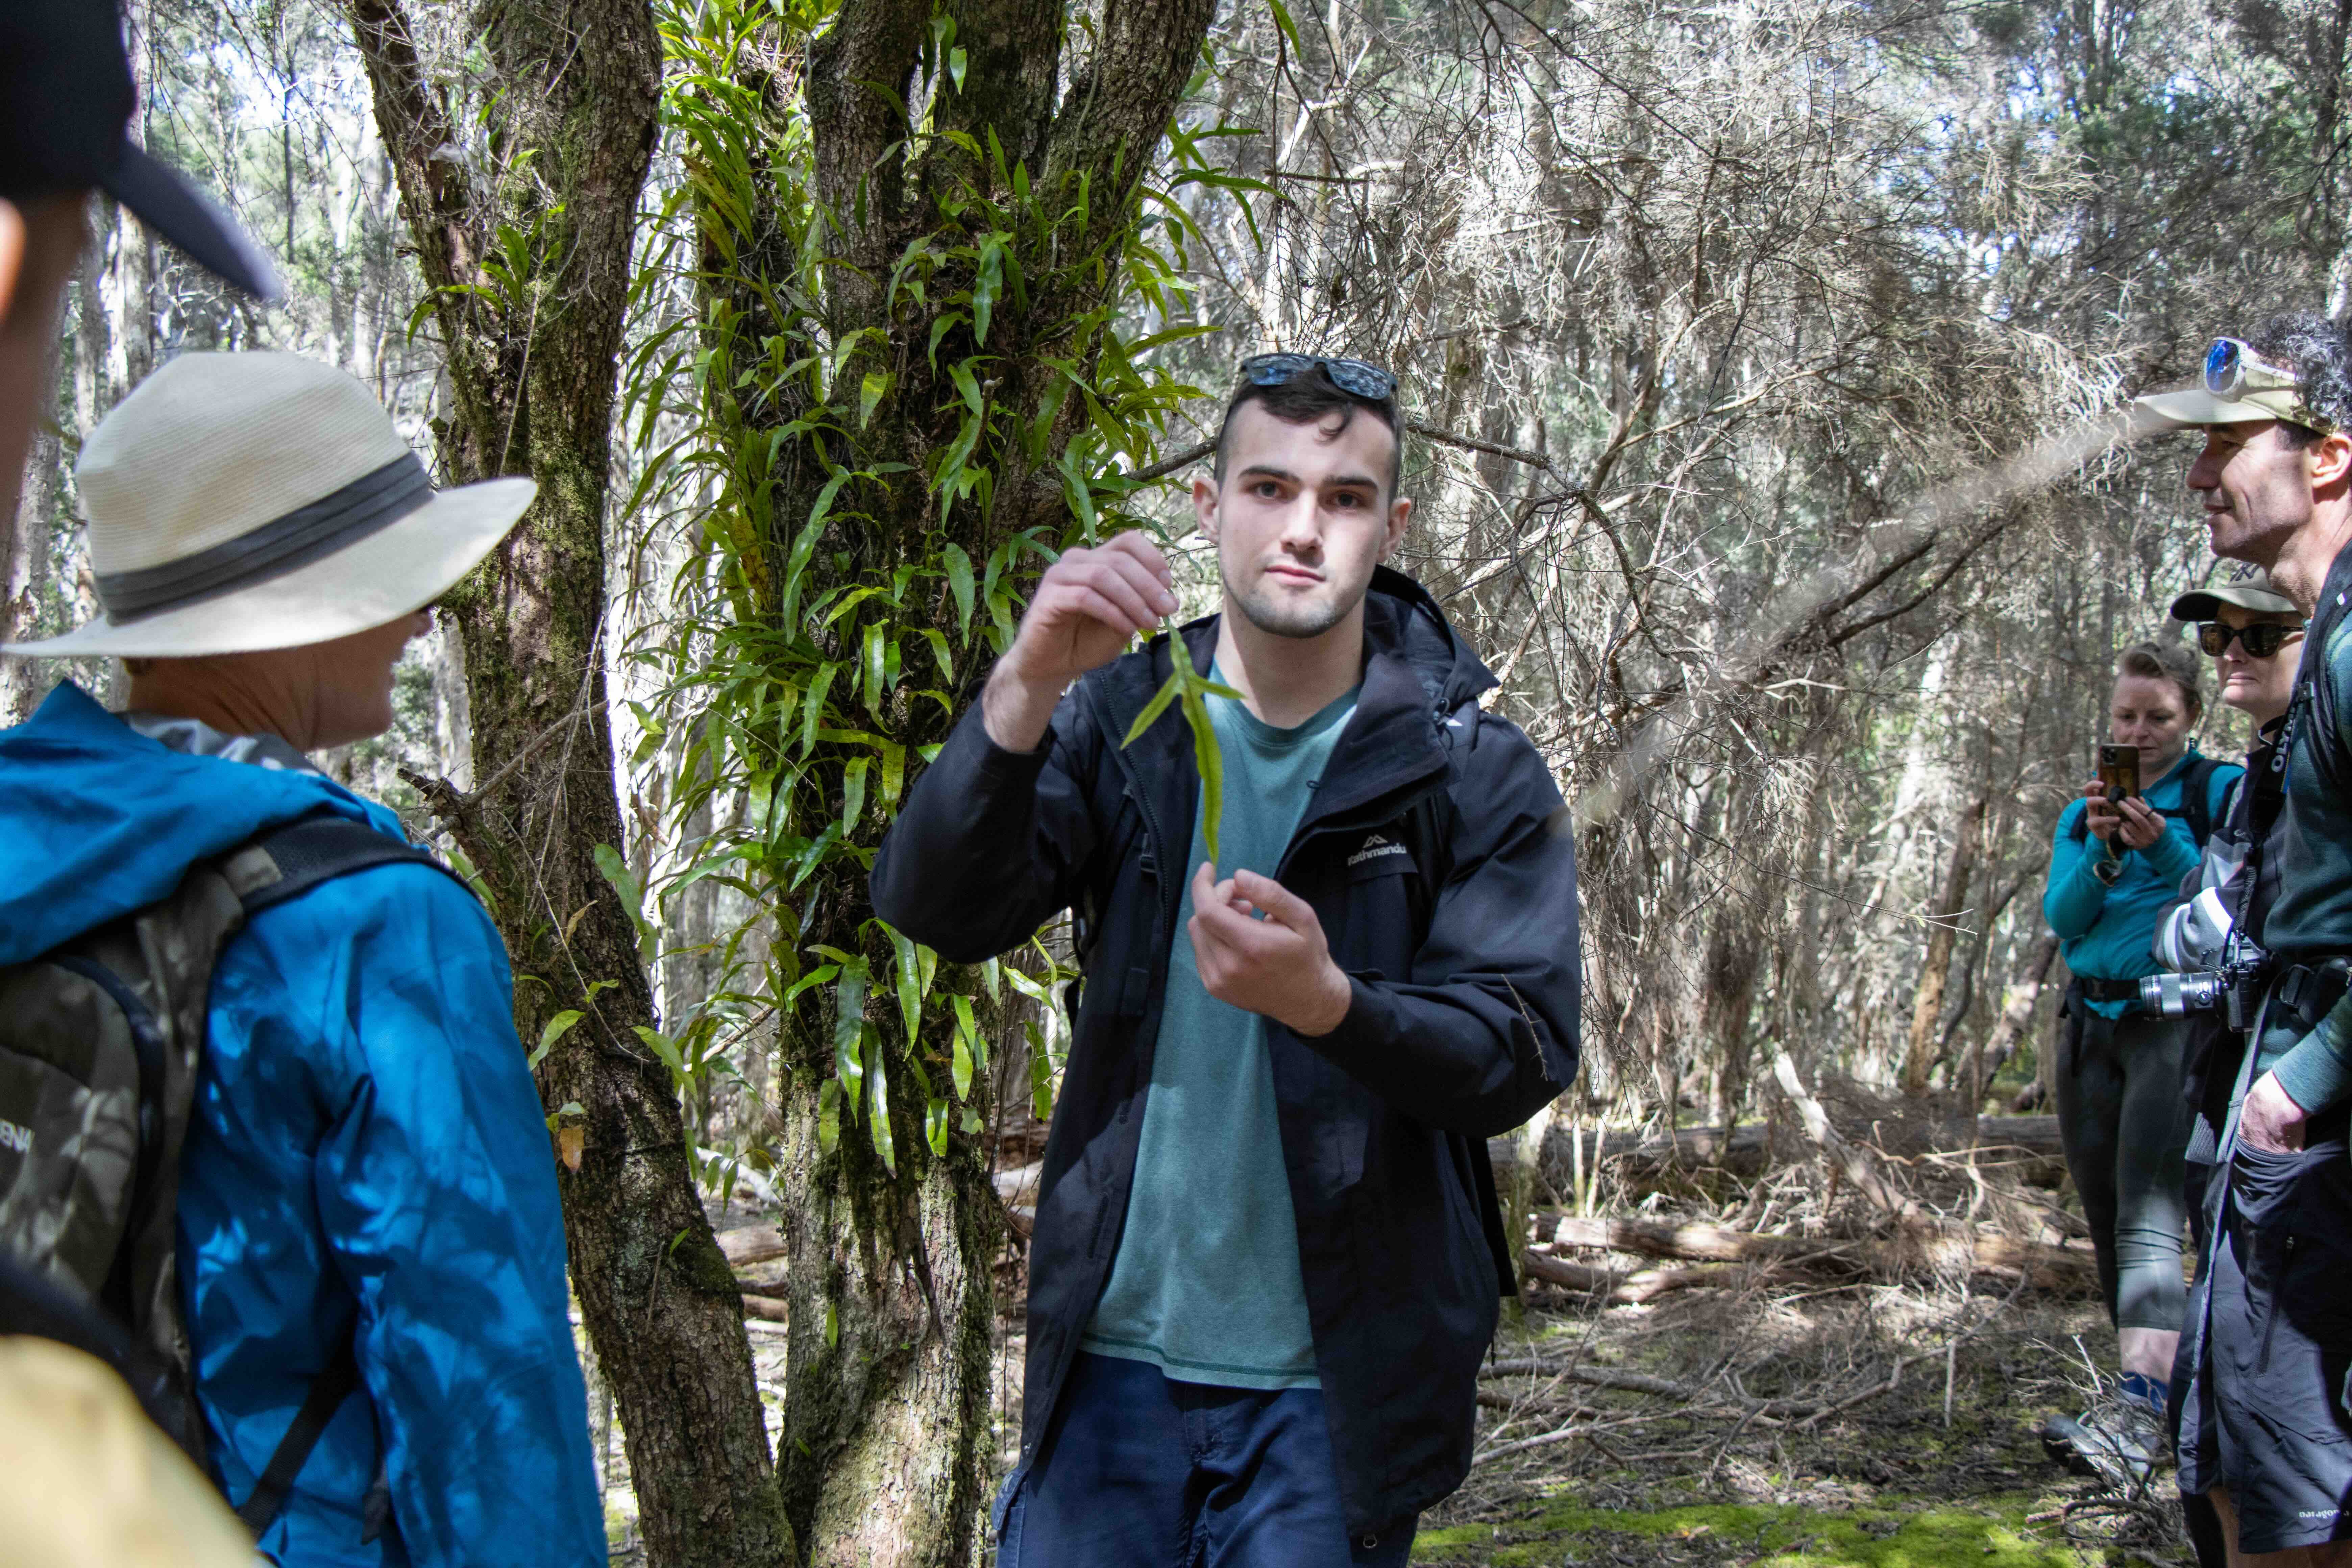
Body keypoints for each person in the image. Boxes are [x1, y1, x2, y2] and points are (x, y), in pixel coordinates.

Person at [869, 354, 1581, 1564]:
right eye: (1269, 488)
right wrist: (1028, 680)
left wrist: (1332, 1006)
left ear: (1392, 526)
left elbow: (1519, 1046)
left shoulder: (1467, 766)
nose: (1304, 529)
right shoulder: (1121, 716)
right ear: (1211, 508)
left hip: (1333, 1398)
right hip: (1108, 1374)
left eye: (1347, 499)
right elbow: (938, 907)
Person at [0, 350, 605, 1565]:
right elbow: (483, 1383)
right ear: (298, 602)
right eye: (396, 581)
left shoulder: (31, 837)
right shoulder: (371, 931)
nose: (425, 617)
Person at [2135, 312, 2352, 1566]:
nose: (2198, 476)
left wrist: (2298, 1087)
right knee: (2238, 1477)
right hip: (2286, 1128)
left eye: (2228, 444)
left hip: (2316, 1139)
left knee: (2296, 1497)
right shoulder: (2318, 639)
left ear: (2327, 457)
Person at [2039, 637, 2238, 1470]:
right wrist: (2106, 850)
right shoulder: (2084, 810)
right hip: (2088, 1023)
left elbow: (2232, 906)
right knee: (2110, 1217)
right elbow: (2066, 917)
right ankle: (2147, 1405)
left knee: (2155, 1214)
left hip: (2174, 1023)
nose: (2140, 731)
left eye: (2159, 717)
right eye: (2126, 715)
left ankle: (2144, 1415)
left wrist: (2164, 847)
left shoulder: (2220, 790)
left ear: (2192, 718)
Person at [2148, 565, 2305, 1568]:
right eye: (2221, 638)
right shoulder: (2264, 777)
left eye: (2259, 637)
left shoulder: (2308, 772)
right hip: (2229, 1101)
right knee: (2215, 1438)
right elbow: (2185, 935)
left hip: (2295, 1129)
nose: (2235, 652)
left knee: (2284, 1454)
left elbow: (2225, 921)